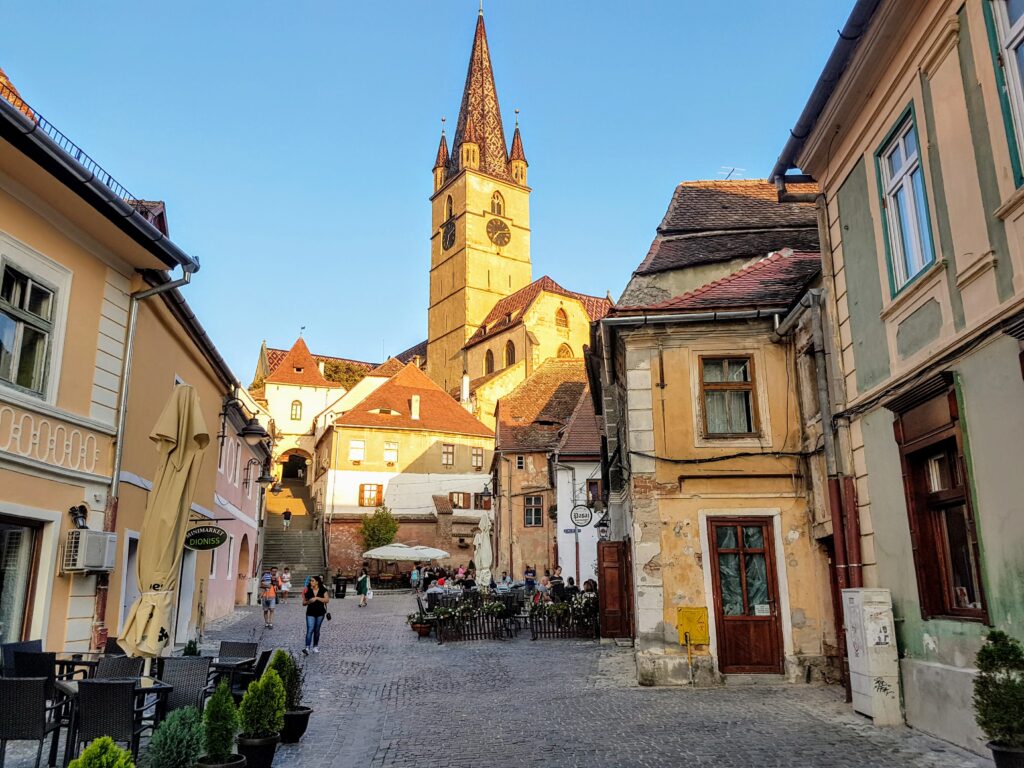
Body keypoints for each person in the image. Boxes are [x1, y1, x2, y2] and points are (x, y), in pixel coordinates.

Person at [302, 574, 330, 655]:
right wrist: (308, 602)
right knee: (310, 630)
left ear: (317, 582)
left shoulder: (323, 589)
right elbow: (303, 603)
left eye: (312, 581)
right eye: (310, 581)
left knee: (317, 630)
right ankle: (307, 648)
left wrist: (317, 598)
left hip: (320, 613)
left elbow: (327, 600)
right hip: (310, 612)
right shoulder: (307, 590)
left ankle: (315, 646)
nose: (310, 582)